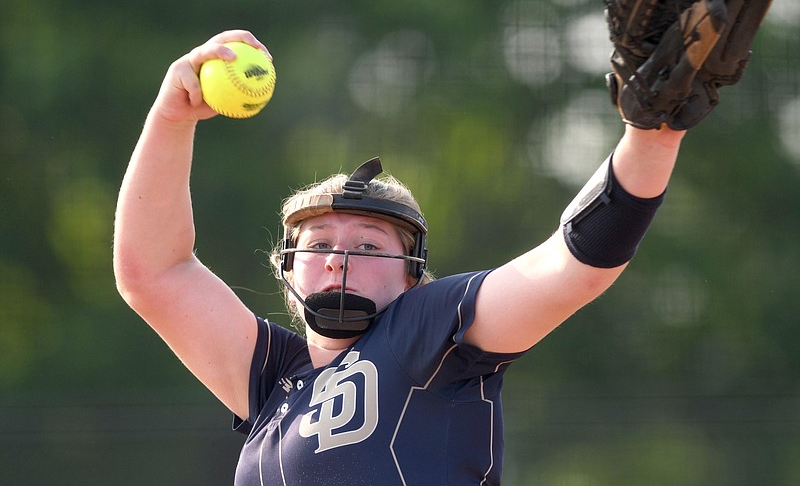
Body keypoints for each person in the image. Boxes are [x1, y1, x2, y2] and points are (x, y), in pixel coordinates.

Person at [113, 29, 685, 485]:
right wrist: (171, 117)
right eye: (318, 244)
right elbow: (153, 272)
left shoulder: (429, 332)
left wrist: (651, 137)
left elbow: (572, 267)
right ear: (287, 269)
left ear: (413, 278)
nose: (340, 258)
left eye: (368, 245)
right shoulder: (271, 382)